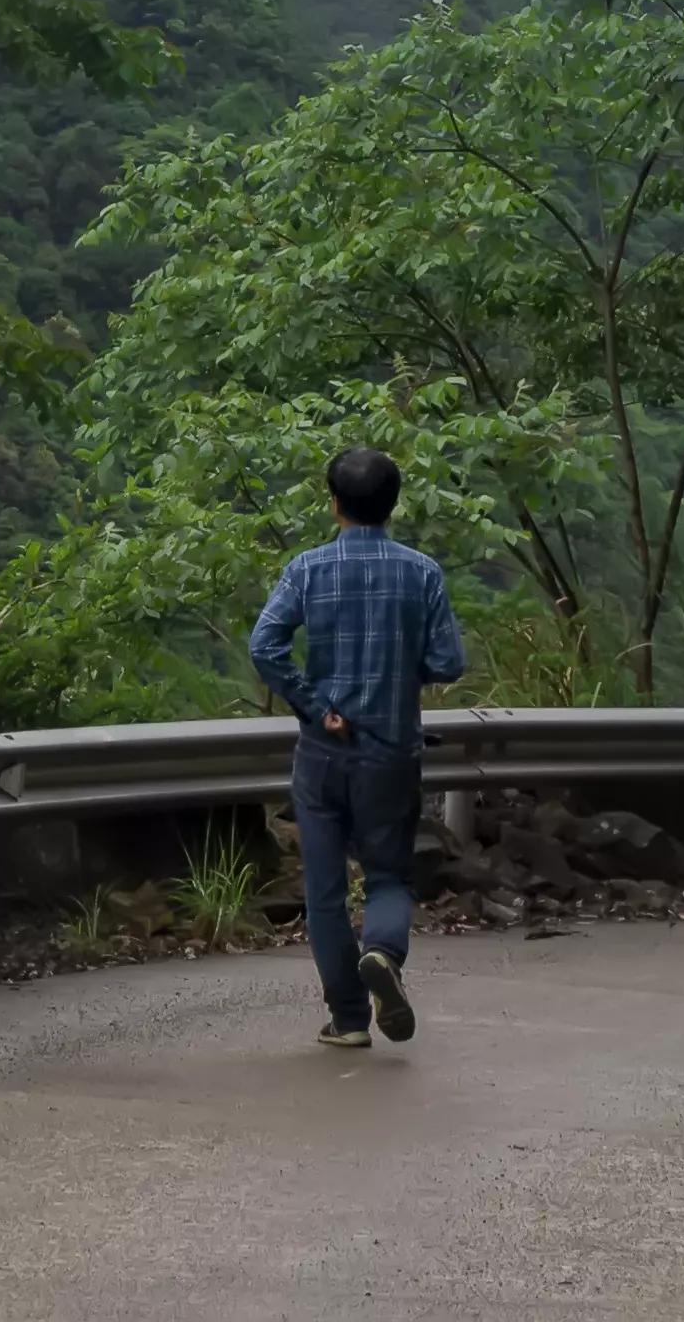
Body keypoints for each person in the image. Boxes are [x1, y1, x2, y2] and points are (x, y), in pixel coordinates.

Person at [245, 445, 467, 1049]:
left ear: (334, 502)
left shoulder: (308, 569)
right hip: (392, 751)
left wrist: (317, 706)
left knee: (324, 891)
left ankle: (347, 1020)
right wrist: (402, 668)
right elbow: (449, 660)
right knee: (390, 876)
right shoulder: (421, 572)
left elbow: (265, 648)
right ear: (393, 505)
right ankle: (384, 954)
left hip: (323, 750)